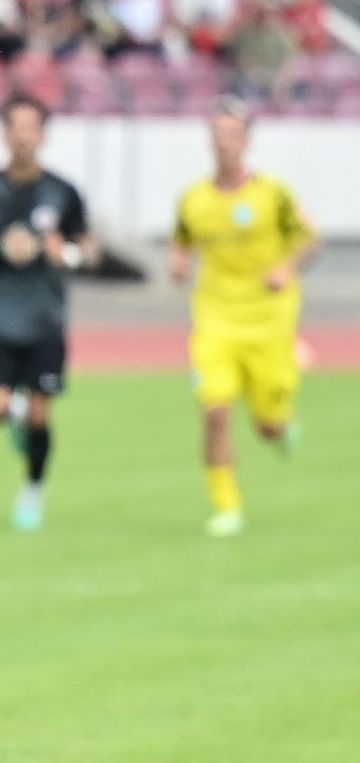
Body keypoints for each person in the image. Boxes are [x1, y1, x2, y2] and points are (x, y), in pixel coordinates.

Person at [169, 97, 317, 537]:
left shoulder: (273, 194)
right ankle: (226, 506)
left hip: (269, 322)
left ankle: (282, 427)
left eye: (232, 135)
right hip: (215, 320)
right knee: (215, 412)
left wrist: (285, 268)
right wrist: (178, 261)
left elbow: (309, 239)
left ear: (247, 141)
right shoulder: (193, 198)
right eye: (217, 135)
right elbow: (181, 240)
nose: (224, 143)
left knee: (267, 425)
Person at [0, 93, 94, 531]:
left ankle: (33, 488)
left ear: (43, 135)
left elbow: (89, 248)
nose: (23, 136)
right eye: (16, 128)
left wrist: (66, 254)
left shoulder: (62, 192)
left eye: (32, 128)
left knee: (41, 414)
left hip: (46, 317)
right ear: (4, 134)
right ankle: (15, 416)